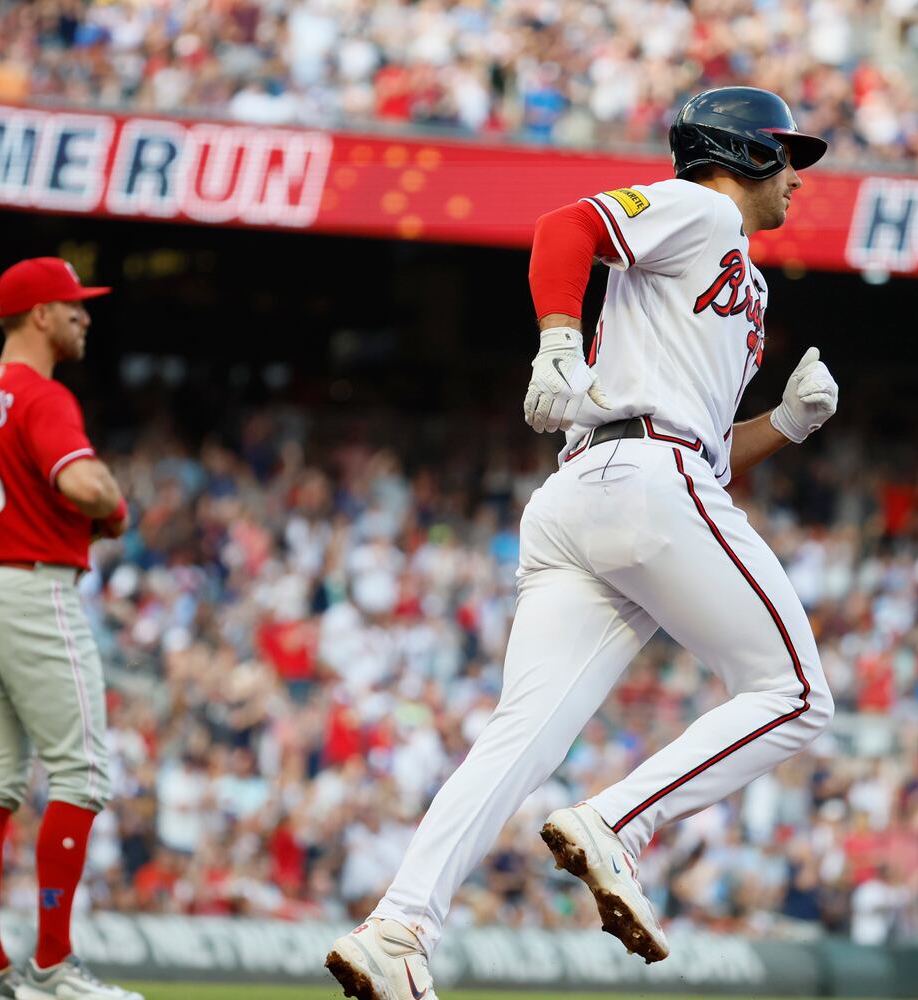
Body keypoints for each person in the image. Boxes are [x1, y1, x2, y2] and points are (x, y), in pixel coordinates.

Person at [324, 86, 838, 1000]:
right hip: (641, 477)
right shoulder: (701, 206)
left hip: (596, 491)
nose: (799, 175)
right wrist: (558, 339)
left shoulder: (738, 270)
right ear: (744, 151)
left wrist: (786, 428)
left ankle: (399, 928)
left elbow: (705, 448)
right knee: (795, 695)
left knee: (519, 738)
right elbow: (568, 226)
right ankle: (620, 824)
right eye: (787, 152)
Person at [0, 258, 140, 1000]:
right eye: (73, 306)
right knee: (81, 775)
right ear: (39, 314)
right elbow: (82, 483)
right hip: (31, 590)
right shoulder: (41, 395)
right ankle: (51, 967)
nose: (84, 316)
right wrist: (110, 508)